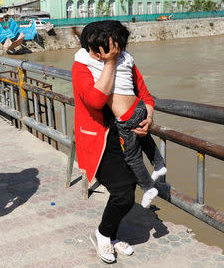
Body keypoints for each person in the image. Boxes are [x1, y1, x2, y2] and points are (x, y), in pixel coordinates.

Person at [72, 20, 162, 264]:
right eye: (114, 47)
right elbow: (94, 101)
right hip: (100, 142)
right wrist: (110, 63)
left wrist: (149, 117)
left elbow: (144, 93)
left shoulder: (125, 60)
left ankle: (110, 236)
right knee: (123, 191)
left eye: (119, 47)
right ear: (99, 48)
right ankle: (103, 235)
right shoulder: (81, 66)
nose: (118, 51)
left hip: (126, 137)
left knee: (128, 188)